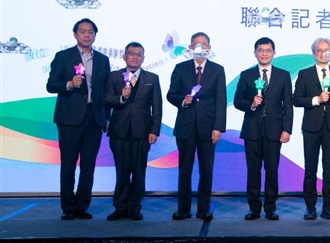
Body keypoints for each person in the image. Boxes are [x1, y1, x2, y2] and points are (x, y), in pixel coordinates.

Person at [46, 18, 111, 220]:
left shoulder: (102, 60)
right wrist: (69, 84)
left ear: (95, 35)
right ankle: (68, 207)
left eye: (90, 32)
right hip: (69, 119)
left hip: (94, 118)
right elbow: (51, 85)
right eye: (82, 31)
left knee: (88, 165)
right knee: (68, 165)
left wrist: (106, 117)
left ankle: (82, 206)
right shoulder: (63, 57)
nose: (86, 35)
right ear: (75, 34)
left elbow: (106, 91)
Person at [167, 32, 227, 221]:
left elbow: (221, 101)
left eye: (203, 44)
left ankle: (203, 209)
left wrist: (218, 127)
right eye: (196, 44)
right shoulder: (181, 68)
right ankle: (183, 209)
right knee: (184, 169)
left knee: (206, 170)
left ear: (209, 48)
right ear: (191, 48)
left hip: (208, 128)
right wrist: (182, 101)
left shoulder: (217, 70)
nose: (200, 47)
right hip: (185, 127)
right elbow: (171, 94)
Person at [234, 37, 294, 221]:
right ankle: (254, 208)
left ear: (274, 53)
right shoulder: (246, 75)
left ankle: (270, 208)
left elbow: (288, 105)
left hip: (274, 131)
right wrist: (251, 104)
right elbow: (237, 101)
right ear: (255, 53)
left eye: (268, 50)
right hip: (252, 130)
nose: (264, 54)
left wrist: (287, 129)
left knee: (272, 170)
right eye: (260, 50)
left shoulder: (283, 75)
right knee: (253, 171)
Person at [293, 38, 330, 220]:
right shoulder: (304, 74)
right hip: (311, 127)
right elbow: (296, 99)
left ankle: (328, 207)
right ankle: (310, 208)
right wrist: (316, 100)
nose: (323, 53)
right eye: (319, 50)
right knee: (310, 168)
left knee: (329, 169)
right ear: (313, 53)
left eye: (327, 50)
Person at [104, 42, 162, 221]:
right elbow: (107, 100)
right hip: (119, 131)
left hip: (142, 132)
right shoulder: (114, 76)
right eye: (131, 54)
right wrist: (121, 97)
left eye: (139, 54)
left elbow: (157, 106)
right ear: (124, 56)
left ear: (143, 58)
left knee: (138, 172)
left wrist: (155, 130)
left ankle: (135, 207)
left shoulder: (152, 78)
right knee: (122, 172)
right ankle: (120, 208)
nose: (135, 57)